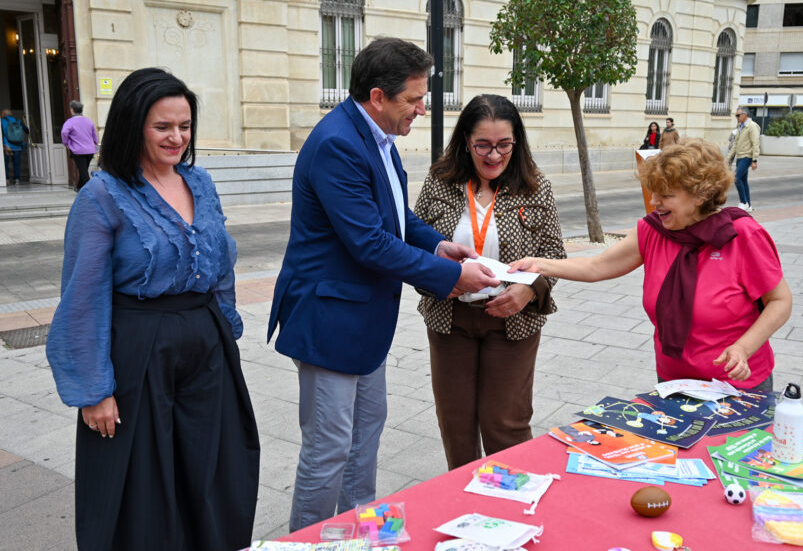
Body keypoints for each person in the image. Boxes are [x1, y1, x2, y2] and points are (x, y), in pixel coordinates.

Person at [266, 37, 499, 531]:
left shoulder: (375, 136)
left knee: (365, 433)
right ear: (378, 96)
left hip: (363, 320)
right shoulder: (338, 144)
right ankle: (308, 541)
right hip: (332, 321)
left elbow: (395, 218)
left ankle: (356, 532)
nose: (421, 108)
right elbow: (369, 242)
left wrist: (438, 246)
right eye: (413, 99)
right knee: (329, 448)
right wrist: (452, 278)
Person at [45, 68, 260, 551]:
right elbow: (82, 295)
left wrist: (223, 330)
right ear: (132, 124)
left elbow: (220, 261)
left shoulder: (199, 182)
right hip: (138, 351)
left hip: (205, 346)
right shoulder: (102, 196)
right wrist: (93, 389)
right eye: (163, 127)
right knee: (142, 483)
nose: (177, 137)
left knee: (212, 470)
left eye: (184, 126)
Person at [511, 138, 792, 392]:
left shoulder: (741, 235)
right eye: (653, 192)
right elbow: (596, 267)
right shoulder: (653, 232)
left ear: (701, 194)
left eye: (666, 195)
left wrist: (743, 348)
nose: (654, 202)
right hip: (674, 383)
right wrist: (540, 265)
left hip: (739, 386)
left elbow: (780, 301)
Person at [413, 94, 565, 470]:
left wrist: (529, 289)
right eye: (483, 144)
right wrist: (436, 279)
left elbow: (554, 255)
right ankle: (466, 504)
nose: (494, 155)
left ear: (517, 141)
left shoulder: (535, 186)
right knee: (456, 424)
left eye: (504, 145)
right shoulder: (440, 181)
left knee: (505, 424)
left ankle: (511, 505)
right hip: (450, 319)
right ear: (466, 140)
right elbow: (413, 243)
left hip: (512, 320)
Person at [61, 100, 99, 190]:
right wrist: (95, 143)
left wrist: (66, 143)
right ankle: (79, 187)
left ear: (72, 110)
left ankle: (90, 190)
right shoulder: (89, 121)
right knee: (84, 169)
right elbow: (95, 136)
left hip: (78, 150)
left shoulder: (70, 122)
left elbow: (64, 132)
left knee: (84, 172)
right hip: (90, 150)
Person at [728, 106, 760, 212]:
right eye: (736, 115)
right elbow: (735, 144)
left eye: (738, 115)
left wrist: (755, 160)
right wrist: (728, 158)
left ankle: (743, 202)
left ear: (745, 115)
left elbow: (755, 143)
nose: (736, 117)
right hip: (740, 157)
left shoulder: (752, 126)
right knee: (744, 181)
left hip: (747, 157)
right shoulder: (740, 126)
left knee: (736, 178)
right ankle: (749, 205)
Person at [2, 108, 29, 185]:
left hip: (7, 146)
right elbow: (27, 130)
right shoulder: (18, 121)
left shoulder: (2, 121)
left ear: (4, 114)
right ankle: (17, 179)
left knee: (6, 163)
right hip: (18, 146)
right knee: (16, 163)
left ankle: (7, 179)